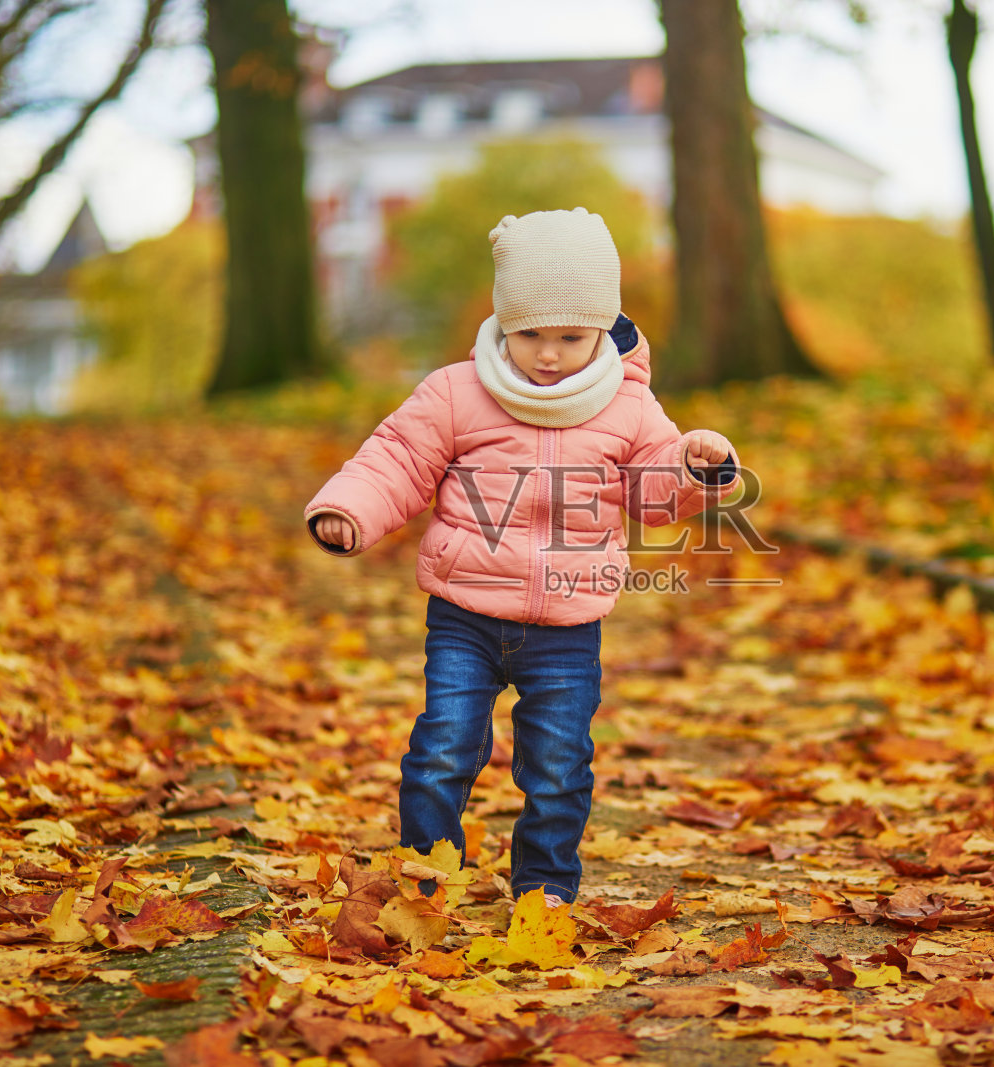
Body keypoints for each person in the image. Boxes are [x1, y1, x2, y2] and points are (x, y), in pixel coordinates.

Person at [304, 207, 739, 907]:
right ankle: (427, 873)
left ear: (604, 328)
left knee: (560, 765)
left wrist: (694, 466)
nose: (547, 353)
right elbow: (397, 458)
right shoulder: (457, 390)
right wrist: (348, 508)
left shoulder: (627, 405)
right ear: (503, 322)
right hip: (465, 615)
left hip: (567, 627)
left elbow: (652, 490)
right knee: (442, 749)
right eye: (530, 333)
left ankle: (545, 889)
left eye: (570, 336)